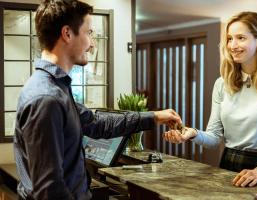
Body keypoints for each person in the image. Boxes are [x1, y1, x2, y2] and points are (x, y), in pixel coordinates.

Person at [13, 0, 181, 199]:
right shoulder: (46, 98)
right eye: (89, 33)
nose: (92, 44)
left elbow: (96, 124)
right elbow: (50, 191)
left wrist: (152, 116)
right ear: (67, 33)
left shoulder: (56, 88)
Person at [163, 11, 257, 187]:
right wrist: (193, 134)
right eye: (229, 38)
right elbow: (214, 137)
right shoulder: (222, 84)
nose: (232, 45)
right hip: (229, 164)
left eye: (241, 38)